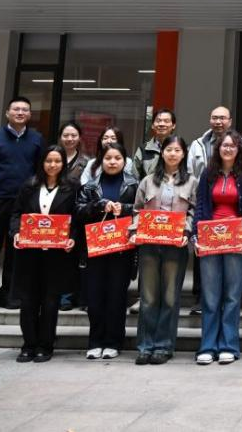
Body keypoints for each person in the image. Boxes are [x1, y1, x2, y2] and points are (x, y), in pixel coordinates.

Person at [0, 96, 44, 313]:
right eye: (16, 109)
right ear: (7, 113)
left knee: (17, 250)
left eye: (25, 109)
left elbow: (41, 172)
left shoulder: (37, 139)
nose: (20, 112)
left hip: (24, 204)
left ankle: (9, 293)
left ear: (30, 114)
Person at [131, 135, 197, 365]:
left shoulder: (192, 182)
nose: (172, 154)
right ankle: (145, 346)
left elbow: (194, 212)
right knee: (148, 298)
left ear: (183, 154)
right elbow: (138, 210)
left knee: (170, 297)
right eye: (169, 149)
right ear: (162, 153)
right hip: (149, 245)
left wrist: (186, 232)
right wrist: (135, 231)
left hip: (175, 246)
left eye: (177, 150)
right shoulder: (148, 181)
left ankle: (163, 346)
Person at [8, 144, 78, 363]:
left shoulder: (72, 188)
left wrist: (72, 238)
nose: (52, 165)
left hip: (56, 255)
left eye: (57, 161)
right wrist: (16, 233)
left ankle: (45, 345)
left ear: (63, 164)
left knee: (50, 301)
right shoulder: (29, 186)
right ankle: (28, 344)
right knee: (28, 300)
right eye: (49, 161)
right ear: (42, 163)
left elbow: (76, 218)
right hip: (29, 253)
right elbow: (16, 214)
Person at [193, 130, 242, 365]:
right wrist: (197, 235)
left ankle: (229, 345)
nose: (228, 149)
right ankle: (207, 346)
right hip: (210, 240)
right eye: (224, 145)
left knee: (231, 296)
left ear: (239, 149)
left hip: (235, 241)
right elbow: (200, 206)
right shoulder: (208, 174)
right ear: (217, 149)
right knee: (210, 297)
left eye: (232, 145)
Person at [76, 142, 137, 360]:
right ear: (101, 160)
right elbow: (78, 211)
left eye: (117, 158)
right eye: (108, 158)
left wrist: (125, 209)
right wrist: (99, 206)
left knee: (116, 297)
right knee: (94, 297)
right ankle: (95, 342)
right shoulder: (89, 187)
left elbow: (142, 211)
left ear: (124, 161)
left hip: (122, 250)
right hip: (96, 249)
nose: (112, 162)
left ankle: (113, 342)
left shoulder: (134, 185)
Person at [186, 105, 233, 314]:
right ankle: (199, 296)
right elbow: (189, 173)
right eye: (215, 118)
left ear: (230, 121)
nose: (218, 122)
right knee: (202, 248)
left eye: (222, 118)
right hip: (204, 201)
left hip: (229, 201)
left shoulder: (239, 143)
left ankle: (223, 296)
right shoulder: (198, 144)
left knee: (227, 251)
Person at [57, 120, 89, 311]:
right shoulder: (53, 157)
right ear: (60, 137)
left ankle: (71, 295)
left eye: (73, 135)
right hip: (55, 213)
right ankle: (57, 294)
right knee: (57, 256)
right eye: (66, 135)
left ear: (79, 138)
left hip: (77, 213)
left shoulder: (86, 162)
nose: (69, 139)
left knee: (75, 255)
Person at [134, 109, 177, 180]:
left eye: (166, 121)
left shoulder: (181, 149)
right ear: (152, 125)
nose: (162, 124)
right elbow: (134, 177)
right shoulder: (143, 149)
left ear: (173, 126)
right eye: (158, 121)